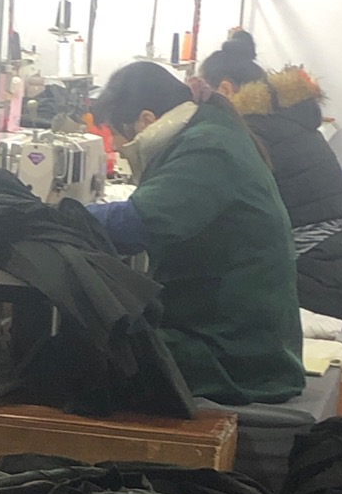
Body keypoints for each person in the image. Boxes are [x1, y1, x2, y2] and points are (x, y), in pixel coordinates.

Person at [89, 60, 304, 406]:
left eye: (119, 137)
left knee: (73, 359)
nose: (118, 149)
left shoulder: (207, 146)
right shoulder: (211, 128)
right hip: (232, 332)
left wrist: (55, 214)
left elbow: (138, 222)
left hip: (234, 353)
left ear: (146, 120)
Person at [200, 33, 342, 324]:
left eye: (203, 96)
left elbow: (216, 210)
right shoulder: (289, 121)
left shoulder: (251, 132)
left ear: (225, 89)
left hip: (318, 284)